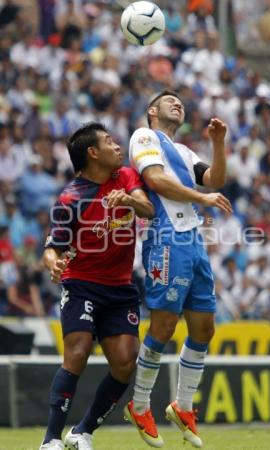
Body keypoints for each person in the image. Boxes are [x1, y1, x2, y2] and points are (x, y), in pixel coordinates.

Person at [124, 90, 232, 448]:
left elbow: (214, 179)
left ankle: (182, 405)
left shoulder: (184, 151)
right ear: (152, 110)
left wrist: (218, 143)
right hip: (166, 236)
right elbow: (154, 180)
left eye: (180, 101)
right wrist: (201, 198)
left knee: (204, 327)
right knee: (165, 325)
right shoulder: (144, 137)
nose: (178, 103)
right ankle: (139, 405)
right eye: (169, 100)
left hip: (193, 239)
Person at [40, 122, 154, 450]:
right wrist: (54, 264)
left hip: (120, 288)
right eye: (109, 142)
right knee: (77, 351)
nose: (118, 146)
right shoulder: (70, 198)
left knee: (125, 360)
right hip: (83, 285)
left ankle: (82, 431)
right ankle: (50, 440)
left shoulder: (127, 177)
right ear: (93, 153)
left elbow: (146, 208)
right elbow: (52, 247)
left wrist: (130, 201)